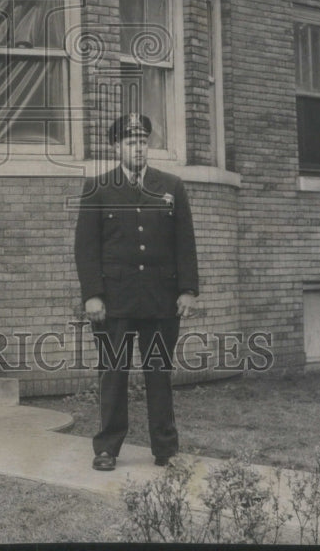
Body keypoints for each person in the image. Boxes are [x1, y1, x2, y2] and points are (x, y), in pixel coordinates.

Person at [74, 113, 199, 470]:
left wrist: (188, 290)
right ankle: (107, 449)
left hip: (161, 301)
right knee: (113, 374)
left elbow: (184, 242)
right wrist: (92, 295)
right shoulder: (98, 188)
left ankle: (165, 450)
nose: (138, 148)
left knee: (159, 373)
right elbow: (86, 248)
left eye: (142, 141)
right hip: (115, 302)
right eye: (130, 142)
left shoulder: (171, 186)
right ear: (116, 147)